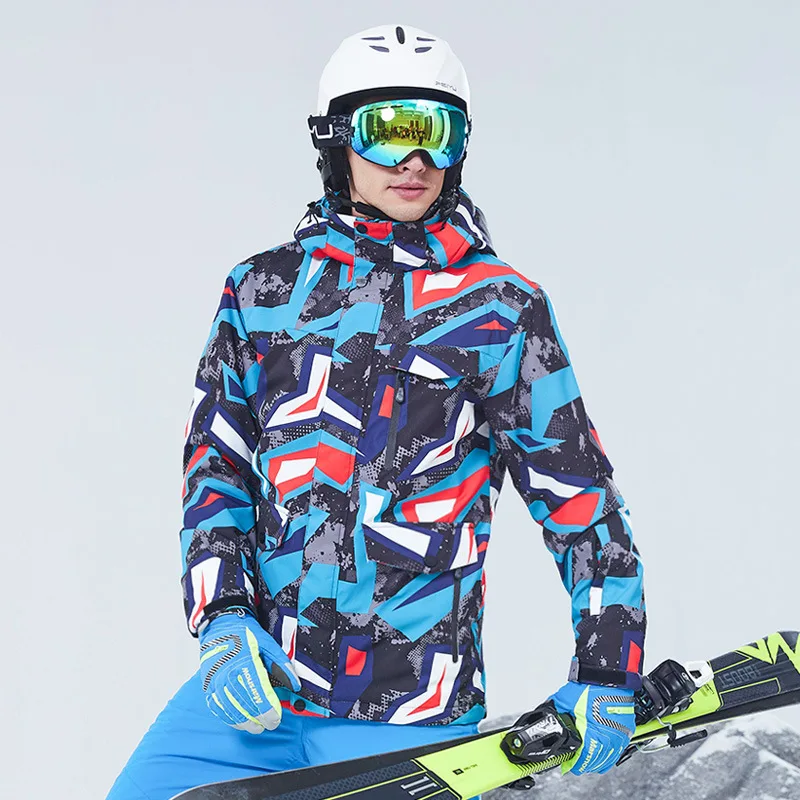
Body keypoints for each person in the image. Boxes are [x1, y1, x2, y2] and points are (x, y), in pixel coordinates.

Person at [106, 22, 646, 800]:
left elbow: (580, 498)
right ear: (335, 141)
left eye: (436, 132)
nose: (413, 160)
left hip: (407, 715)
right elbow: (215, 466)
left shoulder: (500, 308)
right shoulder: (260, 293)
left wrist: (607, 665)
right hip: (259, 695)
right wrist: (221, 616)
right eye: (387, 131)